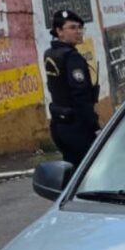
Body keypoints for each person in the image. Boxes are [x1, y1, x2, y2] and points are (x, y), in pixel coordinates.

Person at [42, 9, 101, 166]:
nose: (79, 31)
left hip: (59, 124)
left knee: (71, 169)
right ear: (59, 31)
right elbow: (80, 95)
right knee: (89, 170)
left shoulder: (50, 53)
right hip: (77, 127)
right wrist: (94, 126)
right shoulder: (72, 57)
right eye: (73, 28)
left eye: (80, 28)